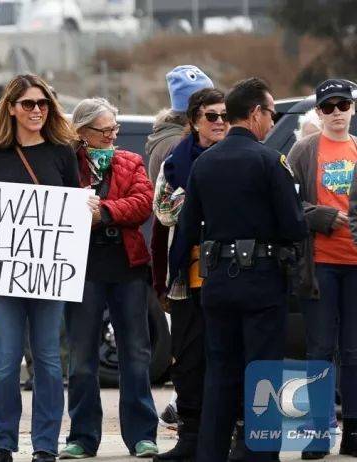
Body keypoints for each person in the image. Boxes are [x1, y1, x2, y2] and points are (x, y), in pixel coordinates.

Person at [174, 77, 308, 462]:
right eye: (271, 113)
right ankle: (259, 454)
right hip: (262, 280)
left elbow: (188, 225)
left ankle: (210, 453)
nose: (272, 121)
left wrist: (175, 278)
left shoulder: (205, 162)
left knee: (220, 371)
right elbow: (294, 226)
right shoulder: (271, 161)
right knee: (262, 371)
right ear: (255, 113)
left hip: (216, 280)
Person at [0, 74, 79, 462]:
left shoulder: (62, 152)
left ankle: (46, 445)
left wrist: (89, 209)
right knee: (6, 360)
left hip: (48, 274)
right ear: (12, 108)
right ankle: (2, 443)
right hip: (0, 275)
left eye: (43, 103)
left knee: (48, 359)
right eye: (29, 104)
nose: (37, 110)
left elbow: (71, 211)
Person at [59, 98, 158, 459]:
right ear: (81, 132)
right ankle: (82, 437)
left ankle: (143, 435)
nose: (112, 135)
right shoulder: (67, 163)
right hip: (81, 269)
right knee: (82, 357)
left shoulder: (130, 161)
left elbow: (143, 202)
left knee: (136, 353)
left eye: (114, 129)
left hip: (127, 267)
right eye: (104, 130)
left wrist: (105, 212)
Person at [152, 87, 228, 461]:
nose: (219, 123)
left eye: (224, 116)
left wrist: (199, 199)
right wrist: (203, 196)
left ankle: (225, 437)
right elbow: (164, 211)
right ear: (195, 119)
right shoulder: (175, 161)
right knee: (188, 359)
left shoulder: (238, 156)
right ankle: (190, 436)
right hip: (187, 278)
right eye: (211, 116)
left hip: (229, 275)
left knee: (225, 358)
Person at [287, 78, 357, 459]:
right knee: (319, 349)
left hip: (355, 263)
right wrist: (329, 216)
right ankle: (317, 431)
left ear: (352, 109)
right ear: (318, 111)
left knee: (354, 351)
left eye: (342, 106)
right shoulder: (303, 150)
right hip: (320, 265)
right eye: (327, 107)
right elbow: (289, 207)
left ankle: (353, 432)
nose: (335, 113)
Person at [145, 64, 214, 428]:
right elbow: (169, 211)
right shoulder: (174, 147)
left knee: (192, 343)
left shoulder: (166, 139)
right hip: (184, 259)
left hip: (186, 258)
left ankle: (183, 407)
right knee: (190, 345)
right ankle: (184, 411)